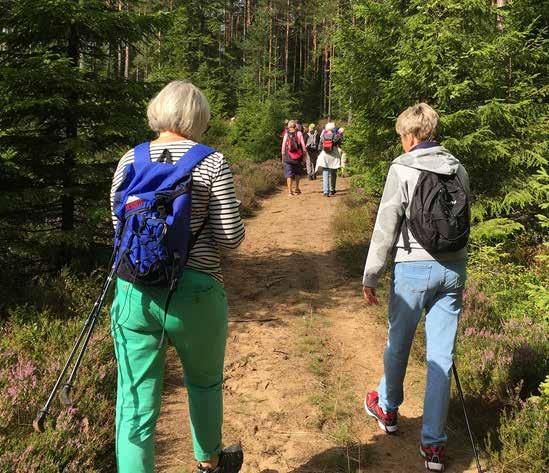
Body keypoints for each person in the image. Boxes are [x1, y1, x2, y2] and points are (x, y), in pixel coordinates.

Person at [109, 81, 245, 473]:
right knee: (203, 383)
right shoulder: (212, 161)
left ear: (159, 112)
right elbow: (231, 238)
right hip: (196, 292)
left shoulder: (129, 160)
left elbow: (118, 225)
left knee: (135, 401)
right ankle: (209, 461)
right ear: (198, 117)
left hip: (134, 291)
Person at [361, 103, 470, 472]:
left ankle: (388, 410)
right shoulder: (459, 168)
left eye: (402, 136)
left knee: (399, 343)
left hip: (413, 269)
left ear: (409, 135)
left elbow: (386, 225)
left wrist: (371, 274)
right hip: (454, 270)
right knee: (441, 357)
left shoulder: (402, 167)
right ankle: (434, 447)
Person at [315, 122, 342, 197]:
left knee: (325, 173)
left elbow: (320, 146)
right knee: (333, 172)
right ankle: (332, 189)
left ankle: (326, 191)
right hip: (334, 155)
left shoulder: (323, 136)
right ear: (333, 128)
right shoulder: (336, 136)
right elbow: (340, 144)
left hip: (325, 155)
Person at [281, 119, 307, 196]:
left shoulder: (286, 134)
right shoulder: (299, 133)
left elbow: (283, 146)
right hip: (298, 157)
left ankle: (289, 191)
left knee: (289, 174)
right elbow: (303, 146)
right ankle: (297, 188)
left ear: (288, 126)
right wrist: (304, 156)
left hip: (288, 157)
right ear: (295, 126)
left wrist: (283, 156)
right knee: (297, 173)